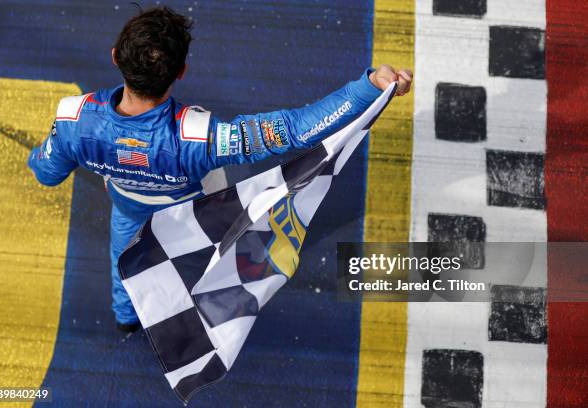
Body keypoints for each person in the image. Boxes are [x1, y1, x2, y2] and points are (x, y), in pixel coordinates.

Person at [28, 6, 412, 332]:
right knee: (211, 270)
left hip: (129, 211)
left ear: (115, 56)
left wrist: (52, 150)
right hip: (200, 218)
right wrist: (369, 89)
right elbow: (295, 131)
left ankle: (127, 320)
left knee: (125, 265)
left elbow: (46, 173)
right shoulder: (203, 138)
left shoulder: (73, 122)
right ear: (182, 71)